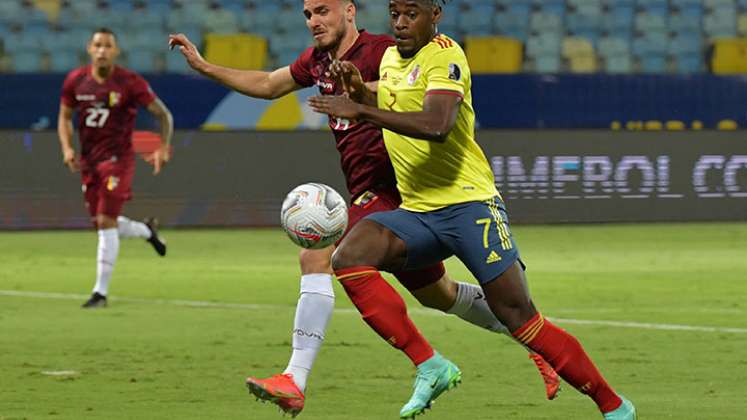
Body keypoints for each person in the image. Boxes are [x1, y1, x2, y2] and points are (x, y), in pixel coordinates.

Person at [169, 0, 557, 417]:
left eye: (323, 11)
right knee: (439, 295)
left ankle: (296, 379)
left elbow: (416, 97)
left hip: (394, 190)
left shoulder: (382, 51)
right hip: (379, 195)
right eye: (307, 15)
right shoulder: (318, 60)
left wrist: (362, 93)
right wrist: (205, 66)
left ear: (350, 11)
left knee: (317, 254)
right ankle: (538, 342)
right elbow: (268, 83)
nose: (314, 21)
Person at [307, 1, 637, 419]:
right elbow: (388, 92)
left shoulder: (446, 55)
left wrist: (361, 110)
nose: (401, 23)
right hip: (419, 212)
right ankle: (431, 364)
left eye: (412, 13)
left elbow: (437, 125)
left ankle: (615, 407)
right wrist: (357, 86)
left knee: (520, 318)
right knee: (349, 258)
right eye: (395, 14)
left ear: (434, 14)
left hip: (470, 206)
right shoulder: (391, 57)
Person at [58, 28, 173, 309]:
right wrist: (67, 148)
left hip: (118, 160)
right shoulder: (76, 81)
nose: (102, 50)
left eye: (107, 46)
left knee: (106, 222)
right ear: (89, 48)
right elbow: (64, 117)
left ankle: (100, 293)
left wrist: (163, 146)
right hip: (89, 161)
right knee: (101, 222)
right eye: (97, 45)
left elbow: (163, 114)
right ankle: (147, 231)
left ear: (115, 51)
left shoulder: (129, 82)